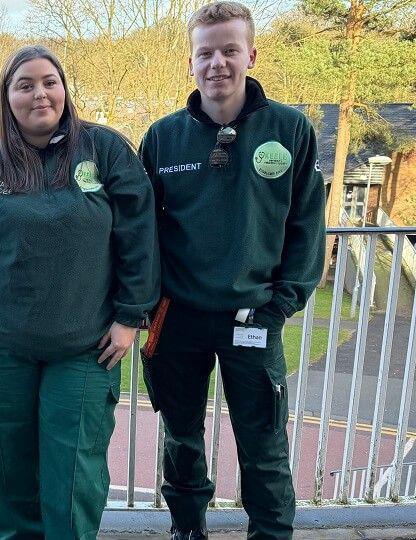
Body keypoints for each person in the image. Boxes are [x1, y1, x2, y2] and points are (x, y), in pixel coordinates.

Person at [0, 45, 159, 539]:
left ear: (64, 89)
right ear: (7, 97)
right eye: (25, 84)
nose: (40, 93)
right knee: (11, 483)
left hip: (84, 350)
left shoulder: (104, 150)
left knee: (73, 484)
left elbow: (139, 238)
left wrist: (130, 317)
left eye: (49, 81)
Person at [138, 2, 326, 538]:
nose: (217, 62)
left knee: (263, 440)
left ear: (250, 54)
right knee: (181, 435)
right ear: (190, 62)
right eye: (205, 52)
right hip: (177, 317)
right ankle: (187, 528)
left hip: (254, 316)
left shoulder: (290, 129)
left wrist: (282, 302)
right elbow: (140, 230)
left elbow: (309, 223)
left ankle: (270, 532)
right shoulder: (162, 138)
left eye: (229, 49)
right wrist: (147, 303)